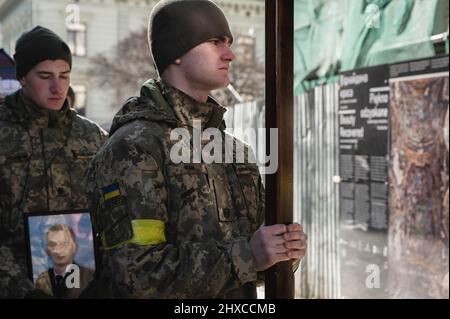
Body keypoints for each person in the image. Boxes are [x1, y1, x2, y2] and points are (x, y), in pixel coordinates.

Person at [86, 0, 307, 298]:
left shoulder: (233, 151)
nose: (230, 54)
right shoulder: (134, 148)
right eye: (216, 42)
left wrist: (282, 251)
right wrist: (248, 256)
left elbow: (255, 259)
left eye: (228, 43)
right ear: (176, 52)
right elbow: (138, 277)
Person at [0, 26, 108, 298]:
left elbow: (113, 215)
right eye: (45, 76)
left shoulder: (92, 136)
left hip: (85, 285)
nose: (58, 87)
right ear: (23, 77)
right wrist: (22, 291)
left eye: (64, 76)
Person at [35, 224, 94, 298]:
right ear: (48, 251)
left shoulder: (90, 277)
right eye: (52, 244)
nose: (59, 250)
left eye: (65, 243)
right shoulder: (42, 281)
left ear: (74, 247)